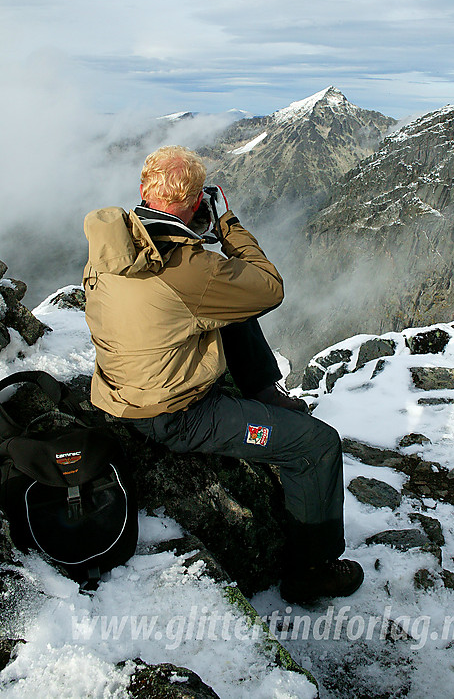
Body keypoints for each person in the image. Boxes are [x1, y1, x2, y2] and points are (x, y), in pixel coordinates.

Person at [83, 144, 363, 603]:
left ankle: (262, 392)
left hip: (119, 389)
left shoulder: (114, 243)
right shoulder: (191, 268)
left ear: (142, 191)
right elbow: (268, 288)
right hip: (175, 414)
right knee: (317, 444)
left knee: (228, 305)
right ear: (196, 203)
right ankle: (311, 571)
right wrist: (227, 225)